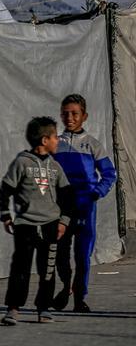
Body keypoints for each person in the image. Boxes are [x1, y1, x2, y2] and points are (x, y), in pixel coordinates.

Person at [0, 117, 71, 326]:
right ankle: (13, 309)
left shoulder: (55, 166)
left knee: (47, 269)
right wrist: (5, 215)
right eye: (55, 137)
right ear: (44, 140)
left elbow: (67, 196)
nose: (58, 141)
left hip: (50, 225)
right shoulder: (22, 162)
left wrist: (63, 221)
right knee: (20, 268)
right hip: (25, 226)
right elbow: (6, 189)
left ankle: (44, 308)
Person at [53, 94, 117, 313]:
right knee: (60, 252)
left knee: (82, 254)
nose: (69, 118)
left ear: (84, 116)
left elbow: (109, 174)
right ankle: (65, 287)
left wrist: (95, 193)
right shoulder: (55, 144)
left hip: (85, 207)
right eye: (65, 113)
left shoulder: (92, 145)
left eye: (74, 114)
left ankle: (80, 297)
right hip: (61, 208)